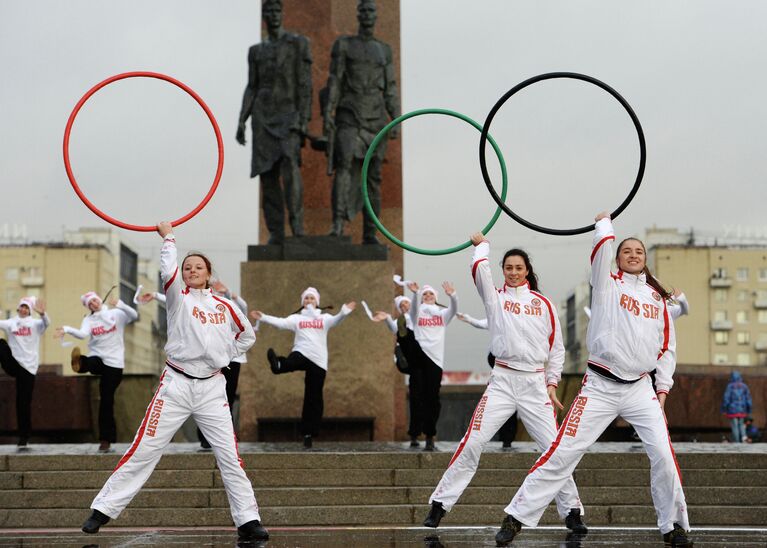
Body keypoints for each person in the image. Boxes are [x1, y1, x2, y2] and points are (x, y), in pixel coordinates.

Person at [494, 212, 692, 547]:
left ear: (646, 260)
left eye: (639, 252)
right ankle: (515, 518)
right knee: (562, 452)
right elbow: (600, 252)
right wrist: (605, 226)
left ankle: (672, 526)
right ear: (617, 258)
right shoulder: (606, 285)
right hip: (599, 387)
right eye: (626, 251)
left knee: (664, 456)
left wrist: (662, 389)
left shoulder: (657, 300)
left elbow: (666, 348)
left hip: (640, 389)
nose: (633, 255)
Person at [80, 221, 267, 542]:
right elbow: (168, 270)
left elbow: (247, 337)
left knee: (229, 456)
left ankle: (249, 520)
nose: (192, 270)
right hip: (176, 385)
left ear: (209, 274)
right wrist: (169, 238)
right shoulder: (178, 296)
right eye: (188, 267)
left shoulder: (226, 307)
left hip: (211, 389)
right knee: (145, 448)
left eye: (199, 267)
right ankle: (102, 509)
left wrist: (223, 355)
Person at [424, 236, 585, 534]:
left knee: (554, 449)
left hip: (536, 383)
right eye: (508, 267)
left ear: (527, 271)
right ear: (503, 271)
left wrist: (552, 383)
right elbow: (478, 270)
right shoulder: (495, 298)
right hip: (503, 381)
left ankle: (572, 511)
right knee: (472, 441)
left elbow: (557, 349)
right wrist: (481, 246)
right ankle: (439, 505)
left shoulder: (544, 304)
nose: (513, 272)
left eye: (518, 267)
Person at [139, 280, 249, 451]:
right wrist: (154, 295)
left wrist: (229, 292)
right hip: (212, 360)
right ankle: (205, 438)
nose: (215, 291)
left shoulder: (229, 305)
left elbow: (243, 309)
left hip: (234, 360)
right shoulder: (201, 306)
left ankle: (225, 439)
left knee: (227, 397)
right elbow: (177, 302)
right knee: (207, 398)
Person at [323, 0, 400, 243]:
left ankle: (370, 233)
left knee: (373, 178)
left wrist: (395, 118)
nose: (367, 15)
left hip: (376, 120)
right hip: (349, 115)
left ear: (376, 16)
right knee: (343, 167)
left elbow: (390, 87)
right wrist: (329, 111)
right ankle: (338, 224)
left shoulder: (383, 50)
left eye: (371, 11)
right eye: (363, 11)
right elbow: (335, 79)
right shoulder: (344, 45)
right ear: (358, 15)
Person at [236, 0, 312, 244]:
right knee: (267, 176)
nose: (274, 15)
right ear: (264, 17)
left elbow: (305, 83)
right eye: (269, 11)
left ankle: (297, 225)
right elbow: (252, 86)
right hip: (262, 116)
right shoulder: (255, 51)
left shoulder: (297, 44)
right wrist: (242, 119)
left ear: (282, 14)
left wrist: (303, 118)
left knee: (290, 165)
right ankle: (276, 231)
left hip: (288, 114)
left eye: (277, 11)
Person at [251, 288, 355, 448]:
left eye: (312, 298)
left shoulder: (324, 318)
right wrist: (263, 317)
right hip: (302, 352)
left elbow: (337, 320)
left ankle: (309, 433)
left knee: (313, 397)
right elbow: (281, 323)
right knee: (293, 360)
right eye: (306, 299)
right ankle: (279, 365)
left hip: (319, 360)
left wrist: (344, 312)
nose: (309, 301)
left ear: (317, 302)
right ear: (302, 303)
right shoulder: (297, 319)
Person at [55, 291, 138, 452]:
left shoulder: (116, 314)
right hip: (98, 357)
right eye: (89, 304)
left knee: (106, 401)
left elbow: (133, 315)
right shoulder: (89, 319)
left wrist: (121, 304)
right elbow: (82, 334)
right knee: (92, 362)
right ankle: (81, 364)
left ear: (99, 299)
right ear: (88, 307)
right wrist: (66, 329)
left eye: (94, 300)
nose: (93, 304)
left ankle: (106, 439)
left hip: (114, 363)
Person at [405, 281, 457, 451]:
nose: (428, 297)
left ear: (436, 298)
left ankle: (429, 436)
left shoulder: (441, 315)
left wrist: (452, 296)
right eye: (425, 295)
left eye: (431, 294)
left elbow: (453, 310)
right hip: (419, 357)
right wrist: (414, 294)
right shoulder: (417, 315)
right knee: (417, 397)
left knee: (432, 399)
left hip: (435, 361)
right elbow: (412, 309)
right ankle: (414, 433)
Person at [456, 312, 518, 449]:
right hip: (498, 360)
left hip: (512, 363)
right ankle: (505, 437)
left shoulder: (518, 320)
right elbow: (481, 323)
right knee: (504, 400)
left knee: (510, 401)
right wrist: (467, 318)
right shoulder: (497, 319)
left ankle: (507, 437)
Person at [372, 295, 425, 447]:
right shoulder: (400, 322)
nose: (404, 306)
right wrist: (387, 318)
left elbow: (416, 311)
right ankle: (415, 434)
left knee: (424, 398)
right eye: (401, 305)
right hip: (413, 361)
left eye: (406, 303)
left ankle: (422, 432)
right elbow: (393, 327)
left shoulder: (419, 317)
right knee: (415, 398)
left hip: (425, 359)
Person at [0, 297, 50, 447]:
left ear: (29, 310)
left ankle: (24, 436)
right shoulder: (11, 322)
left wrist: (42, 314)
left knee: (23, 402)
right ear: (18, 308)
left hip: (28, 367)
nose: (23, 310)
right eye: (21, 307)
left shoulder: (35, 324)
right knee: (1, 344)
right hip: (14, 363)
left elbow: (46, 324)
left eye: (26, 308)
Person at [721, 371, 752, 443]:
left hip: (732, 410)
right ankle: (743, 440)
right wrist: (749, 409)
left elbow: (726, 398)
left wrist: (724, 409)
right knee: (741, 425)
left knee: (734, 426)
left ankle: (737, 441)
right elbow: (748, 399)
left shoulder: (730, 386)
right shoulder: (744, 386)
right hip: (742, 409)